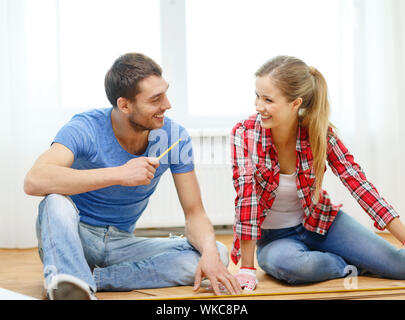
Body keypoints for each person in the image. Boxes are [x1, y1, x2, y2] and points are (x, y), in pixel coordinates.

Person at [24, 52, 241, 299]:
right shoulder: (85, 128)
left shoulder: (174, 137)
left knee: (216, 254)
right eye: (155, 99)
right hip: (75, 237)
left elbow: (195, 213)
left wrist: (209, 253)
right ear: (124, 105)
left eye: (165, 93)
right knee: (54, 201)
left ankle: (86, 281)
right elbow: (34, 180)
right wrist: (119, 174)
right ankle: (70, 279)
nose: (167, 105)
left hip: (121, 244)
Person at [230, 55, 405, 290]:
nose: (258, 106)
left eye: (268, 99)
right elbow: (247, 198)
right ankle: (350, 263)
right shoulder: (244, 134)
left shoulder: (320, 133)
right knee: (289, 266)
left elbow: (357, 183)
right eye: (257, 96)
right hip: (276, 239)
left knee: (400, 267)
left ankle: (354, 257)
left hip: (322, 222)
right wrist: (247, 269)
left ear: (296, 103)